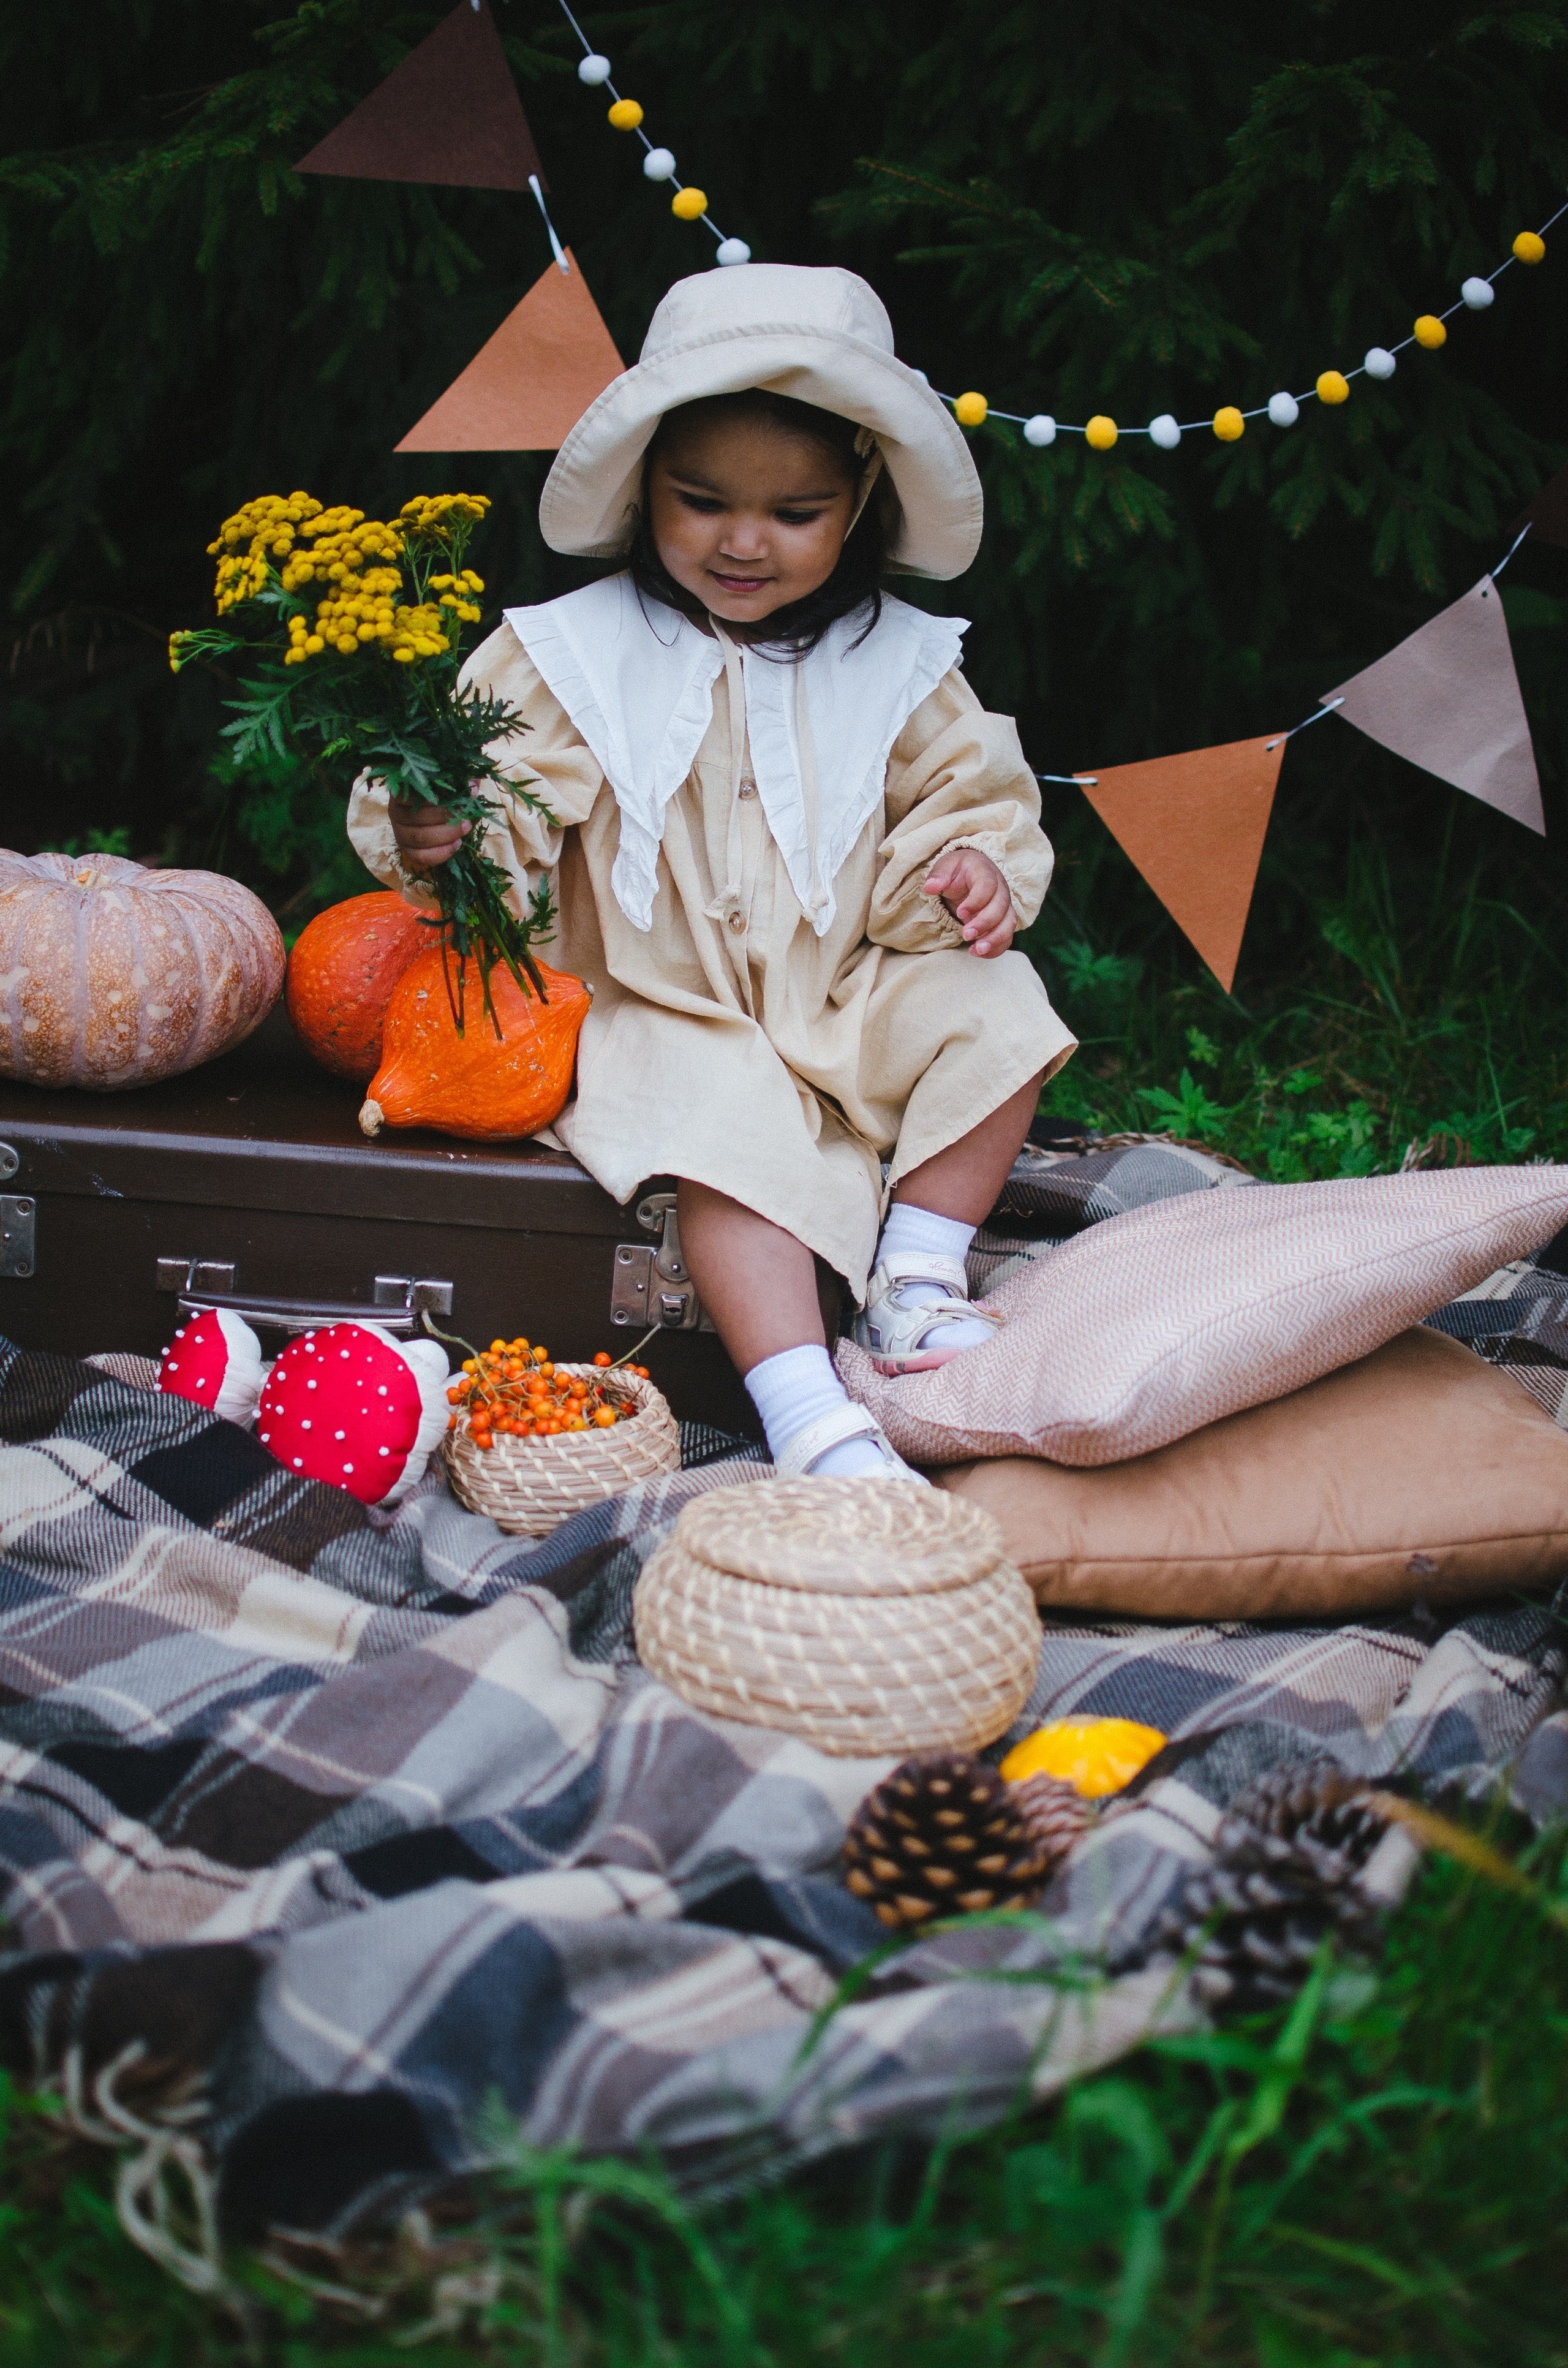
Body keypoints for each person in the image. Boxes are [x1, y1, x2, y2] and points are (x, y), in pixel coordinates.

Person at [349, 263, 1075, 1480]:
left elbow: (969, 792)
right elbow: (485, 797)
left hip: (840, 990)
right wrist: (444, 832)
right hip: (659, 1004)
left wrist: (968, 865)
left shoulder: (894, 662)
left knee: (999, 1010)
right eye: (701, 502)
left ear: (858, 508)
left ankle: (915, 1276)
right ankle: (806, 1414)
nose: (743, 542)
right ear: (642, 492)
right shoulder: (571, 652)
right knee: (718, 1124)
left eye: (794, 513)